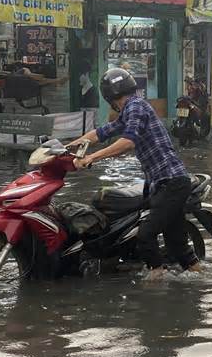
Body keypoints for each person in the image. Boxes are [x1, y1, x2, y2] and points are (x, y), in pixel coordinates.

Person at [69, 68, 202, 280]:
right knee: (178, 245)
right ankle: (200, 282)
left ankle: (156, 281)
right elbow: (101, 133)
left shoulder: (136, 107)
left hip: (171, 183)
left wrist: (92, 158)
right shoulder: (130, 110)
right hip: (167, 183)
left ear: (108, 95)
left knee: (146, 235)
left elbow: (128, 142)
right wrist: (68, 148)